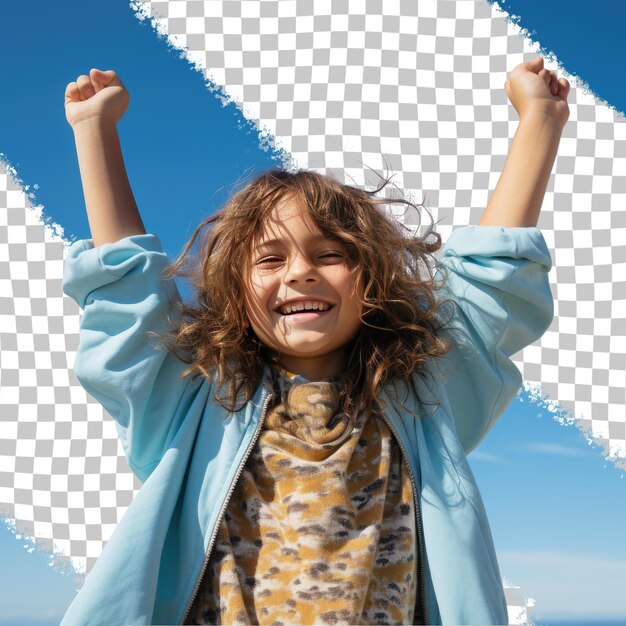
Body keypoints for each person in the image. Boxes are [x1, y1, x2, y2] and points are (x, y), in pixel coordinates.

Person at [60, 56, 569, 625]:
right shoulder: (195, 398)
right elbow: (130, 300)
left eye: (330, 254)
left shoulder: (423, 394)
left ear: (371, 281)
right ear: (235, 288)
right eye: (271, 259)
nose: (300, 272)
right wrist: (94, 130)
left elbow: (488, 284)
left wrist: (540, 118)